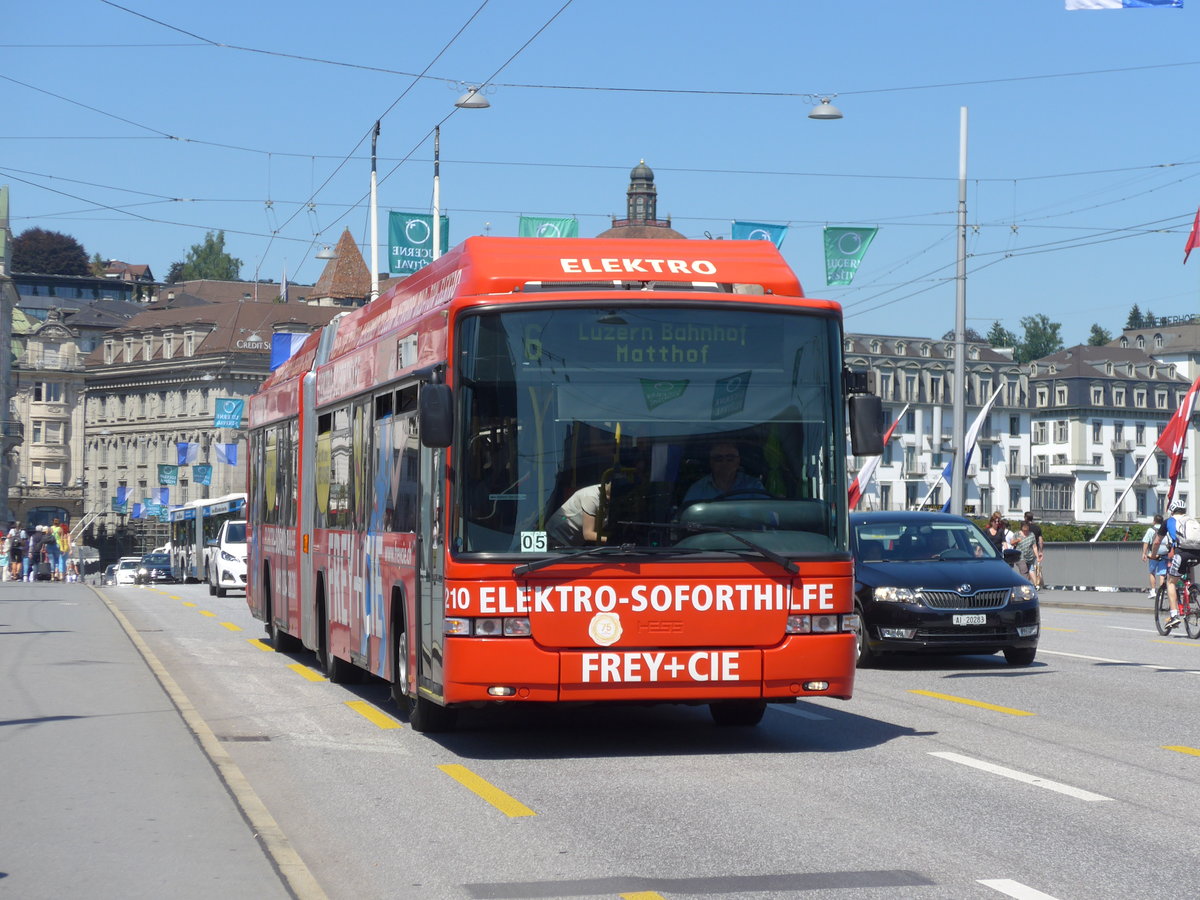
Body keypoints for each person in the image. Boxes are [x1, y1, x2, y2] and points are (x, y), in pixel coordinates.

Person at [681, 442, 764, 506]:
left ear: (738, 461)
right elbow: (687, 519)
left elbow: (766, 515)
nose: (724, 463)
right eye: (718, 459)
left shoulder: (754, 486)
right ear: (711, 462)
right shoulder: (698, 489)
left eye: (730, 458)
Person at [1163, 497, 1200, 632]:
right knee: (1186, 573)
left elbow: (1156, 542)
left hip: (1182, 554)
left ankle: (1174, 615)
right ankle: (1191, 590)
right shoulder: (1191, 521)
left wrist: (1152, 554)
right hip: (1198, 553)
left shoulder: (1169, 521)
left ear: (1172, 511)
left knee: (1171, 582)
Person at [545, 482, 605, 547]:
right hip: (557, 536)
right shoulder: (591, 496)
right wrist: (613, 540)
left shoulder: (612, 494)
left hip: (575, 542)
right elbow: (588, 534)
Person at [1142, 514, 1168, 598]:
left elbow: (1146, 541)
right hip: (1164, 553)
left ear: (1154, 521)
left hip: (1153, 554)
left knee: (1152, 572)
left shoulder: (1151, 530)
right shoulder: (1165, 529)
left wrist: (1144, 553)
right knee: (1162, 574)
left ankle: (1153, 591)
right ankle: (1161, 592)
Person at [1023, 511, 1045, 588]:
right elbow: (1040, 540)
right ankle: (1028, 583)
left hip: (1025, 549)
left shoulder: (1024, 527)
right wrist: (1040, 551)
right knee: (1029, 566)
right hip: (1034, 550)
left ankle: (1035, 584)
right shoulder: (1037, 528)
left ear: (1025, 518)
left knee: (1028, 567)